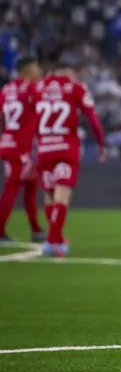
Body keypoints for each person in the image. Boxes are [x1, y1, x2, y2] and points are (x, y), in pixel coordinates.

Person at [34, 60, 107, 258]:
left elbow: (30, 118)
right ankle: (52, 241)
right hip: (66, 148)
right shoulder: (76, 87)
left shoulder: (39, 87)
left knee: (49, 196)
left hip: (44, 149)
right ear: (70, 72)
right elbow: (92, 117)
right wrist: (101, 143)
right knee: (62, 197)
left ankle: (56, 238)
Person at [0, 57, 44, 243]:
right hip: (21, 148)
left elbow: (2, 117)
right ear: (28, 70)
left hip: (8, 143)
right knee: (12, 187)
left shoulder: (6, 90)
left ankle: (35, 229)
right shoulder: (32, 89)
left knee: (31, 186)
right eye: (36, 68)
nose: (39, 72)